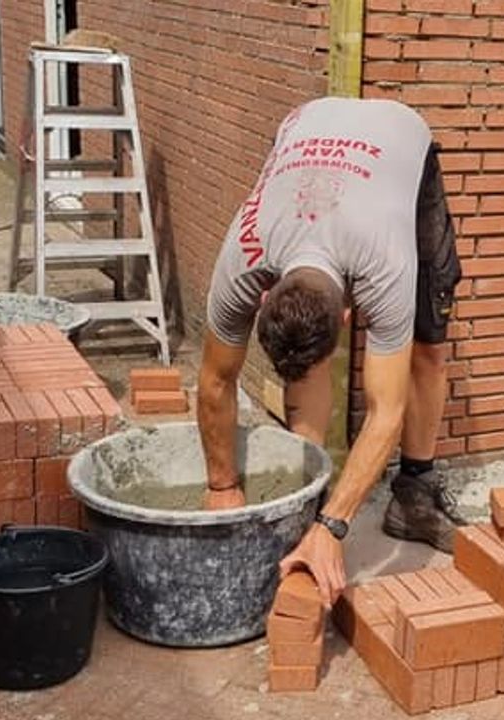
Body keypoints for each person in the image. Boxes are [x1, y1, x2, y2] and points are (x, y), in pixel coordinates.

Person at [198, 97, 465, 605]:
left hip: (399, 139)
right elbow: (214, 380)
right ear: (262, 294)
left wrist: (333, 528)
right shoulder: (242, 260)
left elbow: (386, 411)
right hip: (303, 127)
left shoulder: (384, 265)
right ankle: (309, 485)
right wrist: (221, 487)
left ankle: (414, 494)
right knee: (305, 353)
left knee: (427, 350)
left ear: (349, 317)